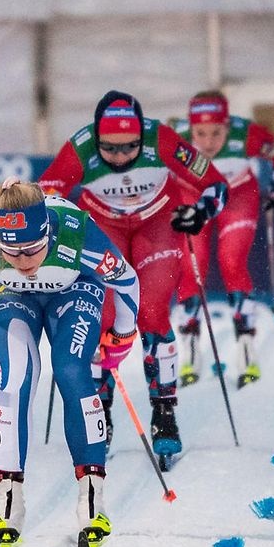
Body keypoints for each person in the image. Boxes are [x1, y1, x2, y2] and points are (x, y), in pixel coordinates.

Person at [0, 179, 141, 547]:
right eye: (11, 253)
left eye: (33, 250)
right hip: (9, 295)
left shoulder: (79, 236)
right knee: (16, 377)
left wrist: (123, 333)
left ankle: (92, 505)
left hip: (75, 289)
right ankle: (9, 509)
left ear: (48, 233)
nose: (23, 262)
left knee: (71, 370)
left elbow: (128, 281)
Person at [39, 91, 227, 462]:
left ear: (142, 136)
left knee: (152, 312)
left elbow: (216, 185)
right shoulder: (79, 148)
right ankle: (101, 412)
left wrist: (200, 213)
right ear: (96, 141)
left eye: (130, 148)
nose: (121, 157)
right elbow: (46, 194)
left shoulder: (162, 140)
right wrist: (55, 229)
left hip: (157, 222)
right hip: (103, 225)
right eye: (110, 149)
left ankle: (164, 412)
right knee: (102, 318)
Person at [173, 90, 274, 387]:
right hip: (193, 195)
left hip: (237, 194)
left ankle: (246, 346)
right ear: (190, 128)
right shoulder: (176, 139)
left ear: (229, 126)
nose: (209, 142)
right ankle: (189, 347)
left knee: (231, 261)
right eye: (200, 133)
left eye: (217, 133)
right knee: (191, 266)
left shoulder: (247, 135)